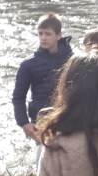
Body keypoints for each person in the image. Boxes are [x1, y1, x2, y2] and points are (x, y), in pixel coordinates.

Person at [12, 12, 73, 141]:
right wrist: (24, 123)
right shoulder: (28, 65)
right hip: (41, 122)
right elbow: (18, 97)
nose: (43, 38)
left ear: (59, 35)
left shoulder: (73, 61)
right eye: (40, 33)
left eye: (48, 34)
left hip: (69, 120)